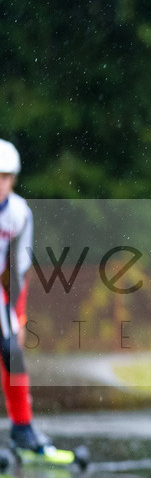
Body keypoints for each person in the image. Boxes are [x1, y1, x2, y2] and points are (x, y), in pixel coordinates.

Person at [0, 139, 47, 454]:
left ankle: (22, 427)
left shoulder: (19, 213)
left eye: (5, 177)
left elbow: (20, 270)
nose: (0, 183)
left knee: (11, 351)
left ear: (13, 179)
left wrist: (19, 314)